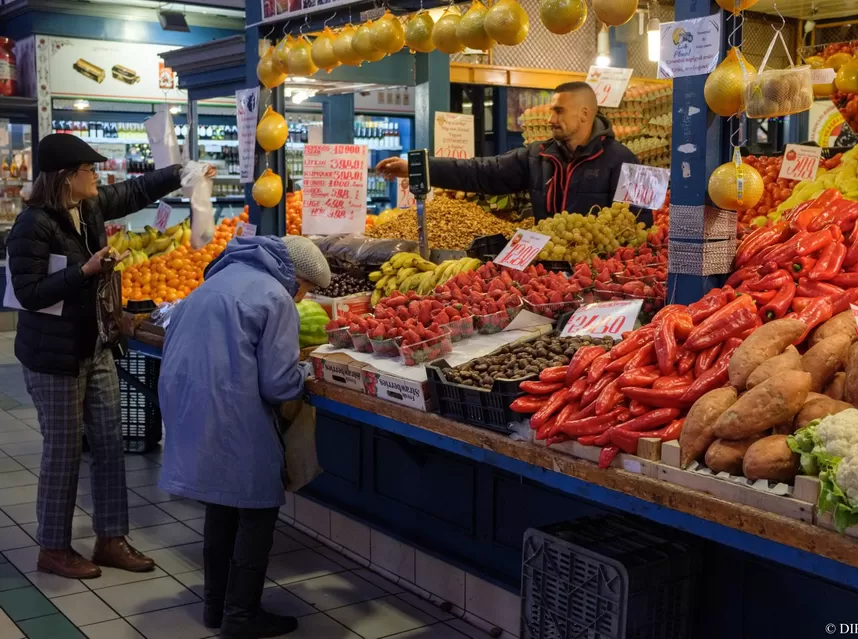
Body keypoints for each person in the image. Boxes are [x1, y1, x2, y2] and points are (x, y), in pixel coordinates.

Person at [6, 134, 211, 579]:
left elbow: (135, 191)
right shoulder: (32, 225)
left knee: (108, 441)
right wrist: (85, 271)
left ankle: (111, 538)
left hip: (95, 344)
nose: (98, 176)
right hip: (53, 356)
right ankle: (54, 547)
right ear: (66, 177)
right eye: (90, 170)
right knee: (63, 452)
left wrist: (181, 173)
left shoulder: (90, 207)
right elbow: (27, 293)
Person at [157, 235, 330, 639]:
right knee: (255, 508)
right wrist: (304, 374)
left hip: (189, 404)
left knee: (221, 505)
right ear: (297, 277)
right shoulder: (275, 295)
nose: (303, 298)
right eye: (305, 290)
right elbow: (277, 385)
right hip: (231, 410)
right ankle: (241, 614)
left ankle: (215, 606)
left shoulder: (217, 279)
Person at [376, 81, 637, 220]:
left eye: (559, 111)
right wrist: (417, 168)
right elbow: (480, 173)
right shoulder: (538, 156)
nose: (550, 120)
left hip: (600, 278)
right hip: (547, 275)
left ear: (584, 114)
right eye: (550, 111)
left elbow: (638, 226)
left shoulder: (625, 161)